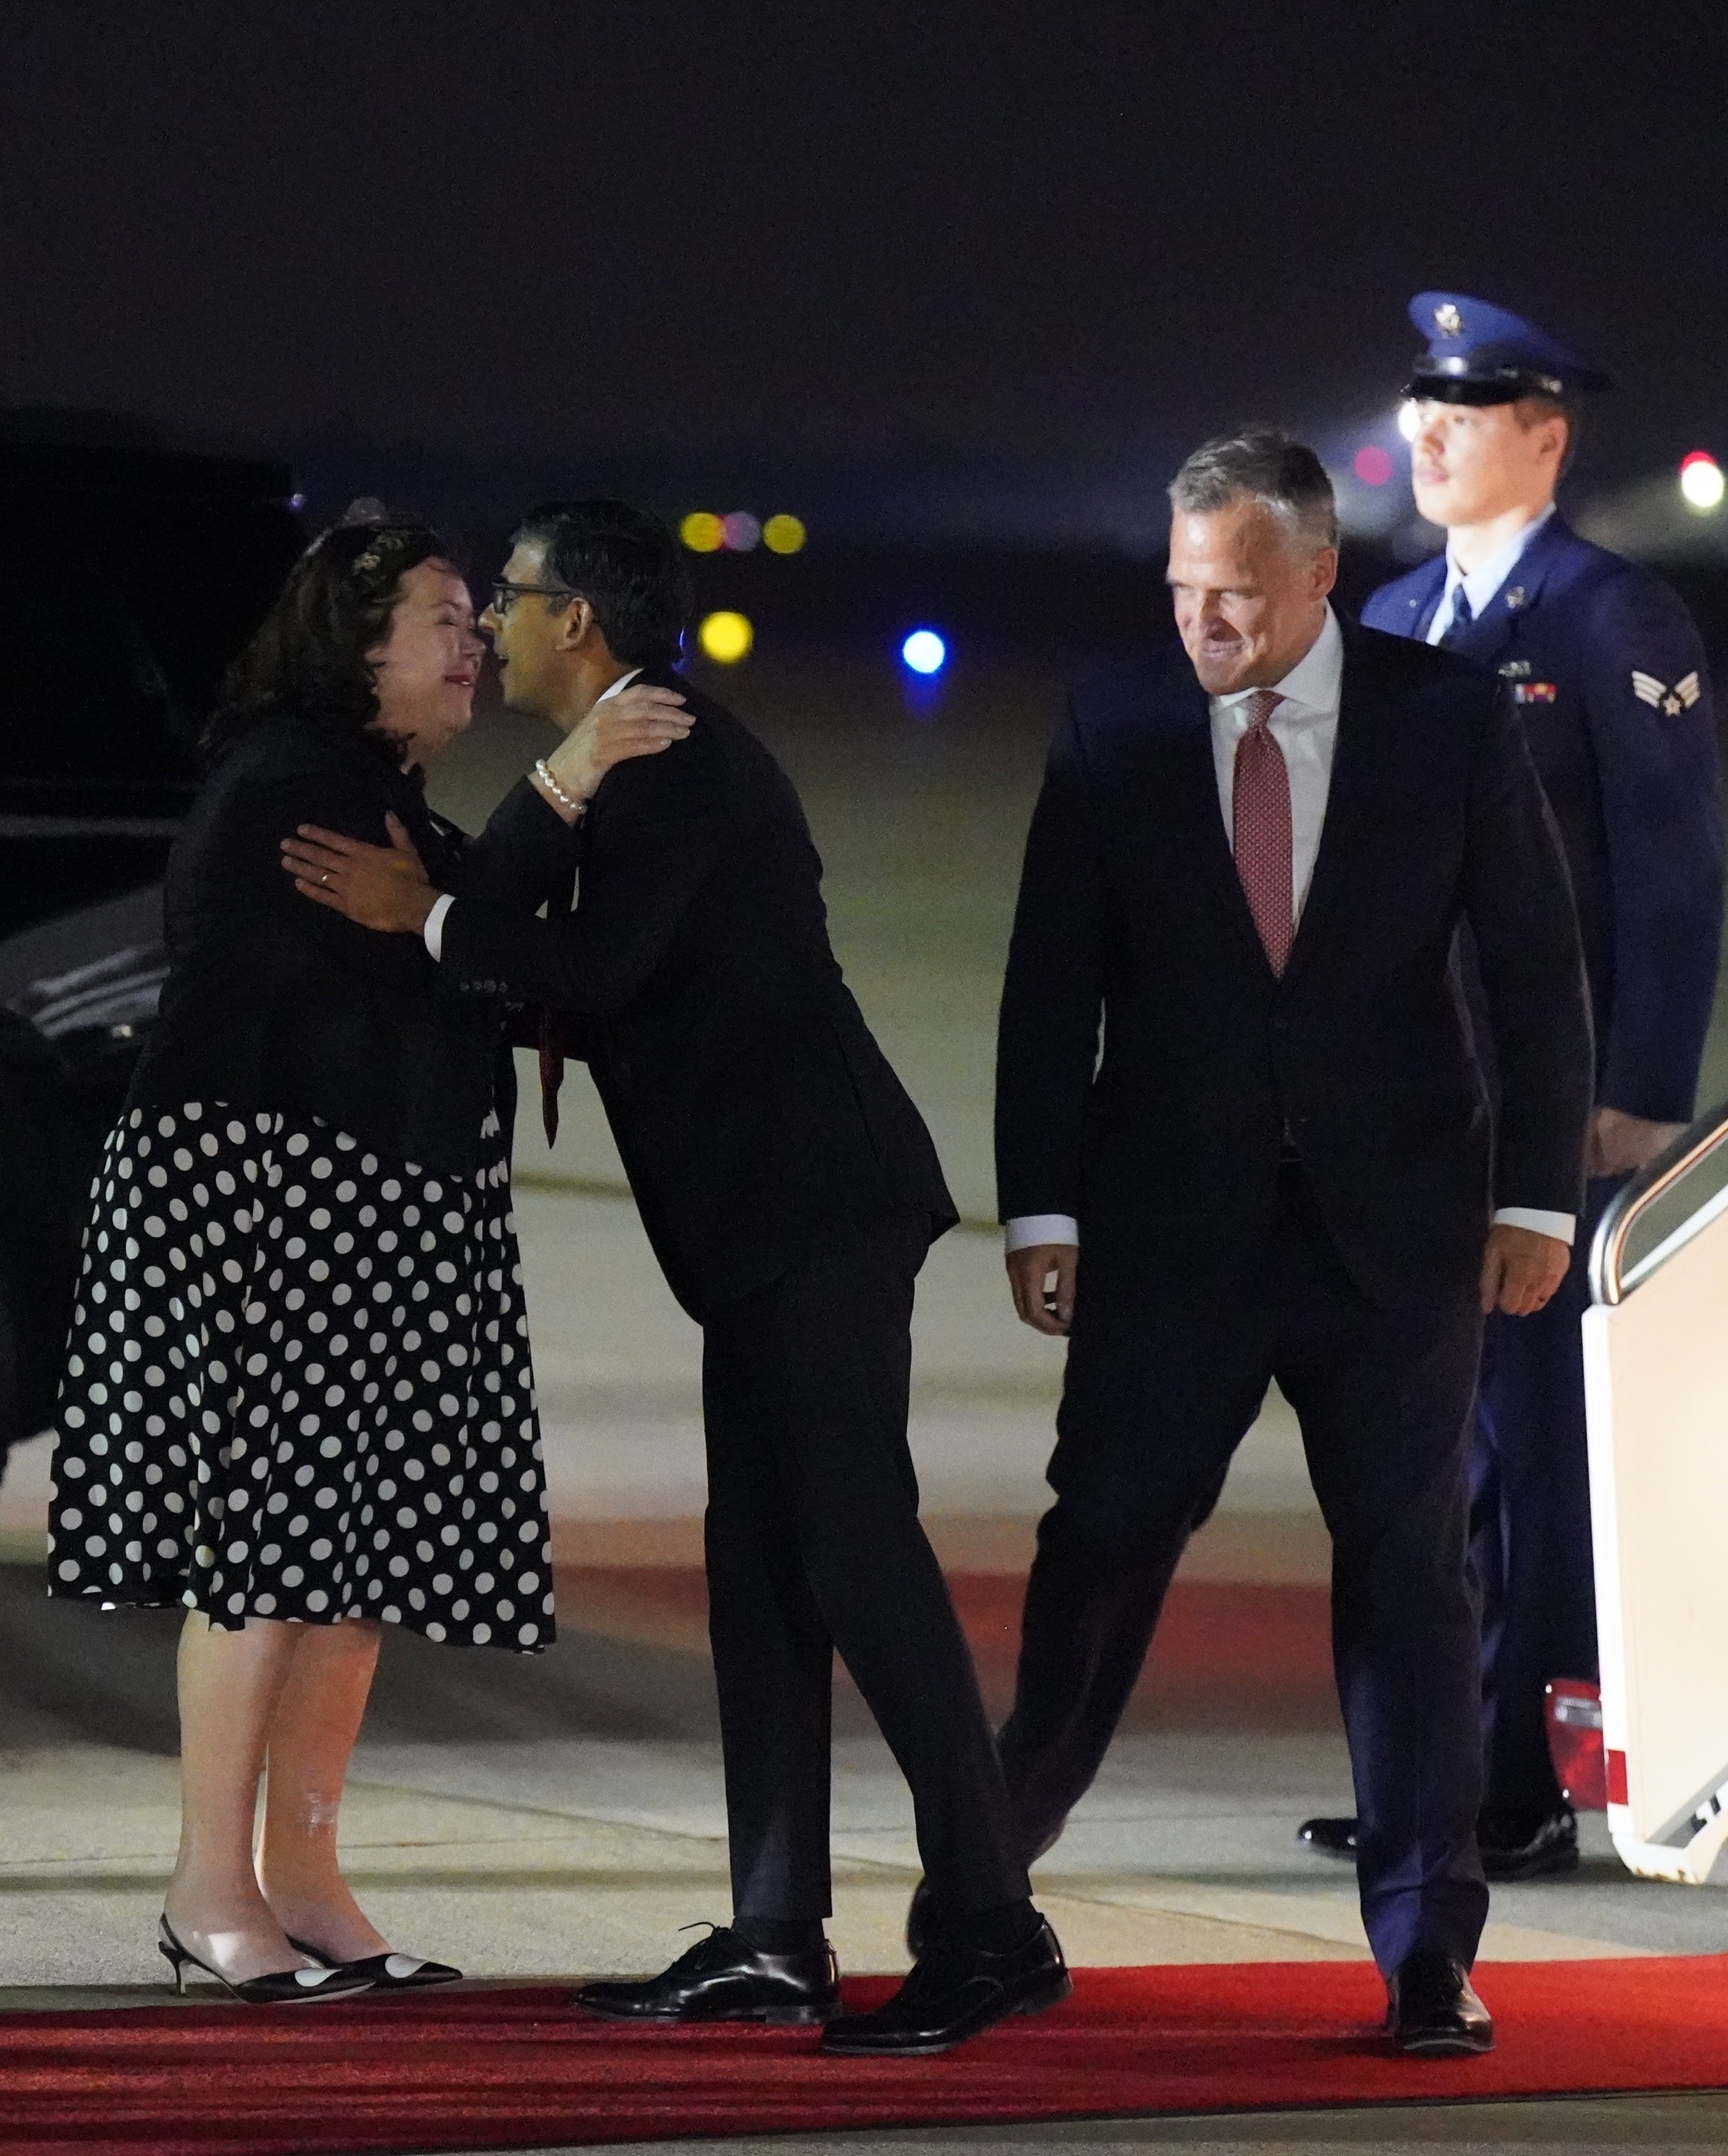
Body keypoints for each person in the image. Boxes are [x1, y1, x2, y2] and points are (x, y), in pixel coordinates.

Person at [286, 500, 1065, 2057]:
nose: (490, 625)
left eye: (508, 600)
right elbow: (535, 941)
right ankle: (776, 1932)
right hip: (758, 1233)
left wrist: (422, 915)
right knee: (764, 1578)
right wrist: (542, 801)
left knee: (858, 1564)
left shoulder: (687, 765)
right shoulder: (619, 762)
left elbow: (584, 971)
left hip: (819, 1215)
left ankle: (992, 1925)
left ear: (574, 623)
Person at [990, 428, 1590, 2056]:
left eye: (1238, 592)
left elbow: (1535, 974)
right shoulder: (1112, 727)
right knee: (1097, 1551)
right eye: (1185, 590)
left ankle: (1423, 1953)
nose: (1206, 622)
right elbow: (1052, 986)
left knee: (1412, 1587)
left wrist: (1536, 1201)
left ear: (1321, 576)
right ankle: (983, 1897)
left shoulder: (1446, 724)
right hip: (1169, 1238)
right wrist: (1041, 1205)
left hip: (1396, 1242)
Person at [51, 510, 687, 2003]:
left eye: (480, 620)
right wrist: (569, 775)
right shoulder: (295, 789)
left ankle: (310, 1878)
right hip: (282, 1203)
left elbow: (471, 935)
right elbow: (438, 943)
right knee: (271, 1548)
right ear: (356, 645)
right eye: (446, 620)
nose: (475, 644)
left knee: (350, 1563)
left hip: (373, 1205)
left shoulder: (374, 787)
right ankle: (211, 1884)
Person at [1310, 296, 1725, 1878]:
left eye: (1465, 412)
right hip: (1404, 1108)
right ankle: (1425, 1764)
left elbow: (1675, 865)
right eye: (1419, 406)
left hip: (1545, 1105)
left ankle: (1518, 1781)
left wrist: (1645, 1087)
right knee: (1405, 1441)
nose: (1427, 435)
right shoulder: (1399, 618)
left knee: (1524, 1448)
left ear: (1545, 438)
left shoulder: (1610, 617)